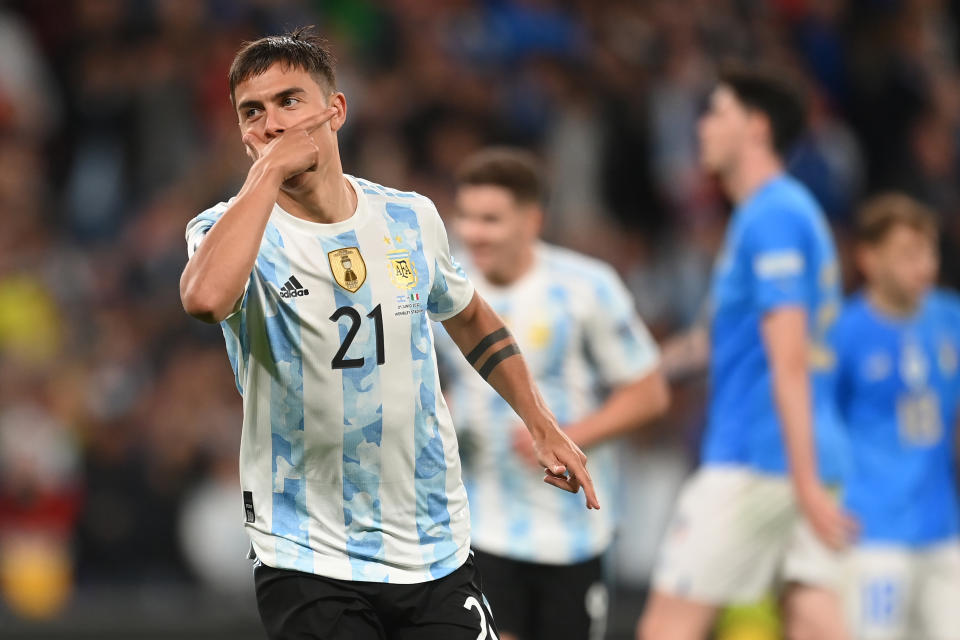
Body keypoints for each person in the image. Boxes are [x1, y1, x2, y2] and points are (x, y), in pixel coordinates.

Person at [178, 27, 599, 640]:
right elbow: (206, 299)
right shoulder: (222, 229)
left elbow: (470, 314)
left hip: (430, 540)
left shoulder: (408, 217)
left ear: (336, 110)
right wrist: (267, 177)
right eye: (253, 112)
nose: (270, 123)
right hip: (305, 549)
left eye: (289, 101)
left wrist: (540, 422)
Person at [638, 64, 857, 640]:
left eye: (716, 112)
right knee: (812, 615)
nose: (702, 126)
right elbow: (714, 341)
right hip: (808, 451)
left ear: (756, 127)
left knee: (667, 626)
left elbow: (788, 360)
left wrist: (802, 482)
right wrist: (634, 366)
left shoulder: (772, 215)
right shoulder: (778, 212)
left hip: (760, 456)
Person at [434, 148, 670, 640]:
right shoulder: (445, 288)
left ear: (531, 220)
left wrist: (566, 437)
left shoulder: (586, 288)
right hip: (480, 528)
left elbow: (649, 392)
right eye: (467, 217)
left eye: (491, 219)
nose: (474, 232)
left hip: (572, 536)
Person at [833, 194, 960, 640]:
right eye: (907, 254)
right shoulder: (844, 332)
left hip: (943, 529)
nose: (923, 265)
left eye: (929, 251)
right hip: (872, 532)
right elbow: (818, 424)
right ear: (868, 258)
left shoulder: (951, 319)